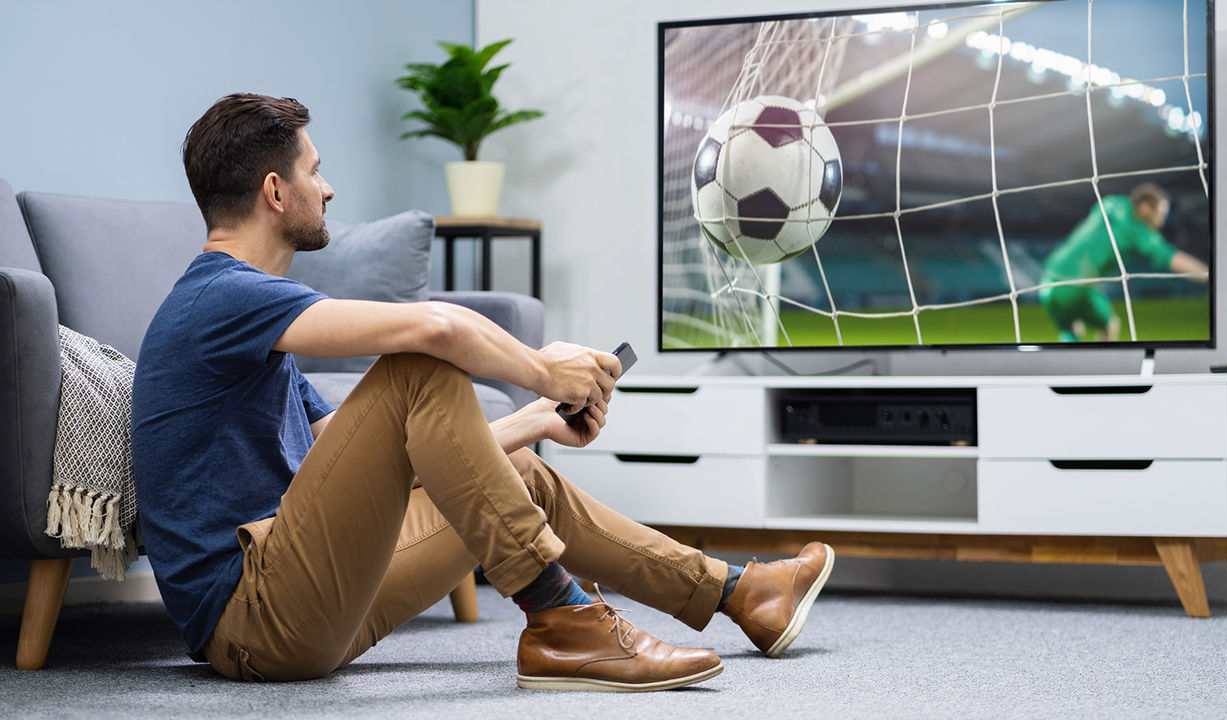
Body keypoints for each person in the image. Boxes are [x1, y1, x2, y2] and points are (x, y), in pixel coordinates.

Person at [131, 93, 835, 690]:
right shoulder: (221, 298)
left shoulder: (247, 309)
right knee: (416, 366)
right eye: (316, 173)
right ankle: (562, 618)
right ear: (275, 193)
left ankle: (743, 594)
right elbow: (434, 329)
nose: (329, 189)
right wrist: (545, 370)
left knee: (520, 471)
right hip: (255, 620)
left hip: (304, 596)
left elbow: (339, 451)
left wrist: (532, 419)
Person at [1038, 183, 1209, 342]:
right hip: (1074, 286)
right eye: (1160, 214)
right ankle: (1102, 372)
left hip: (1048, 279)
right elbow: (1172, 258)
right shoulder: (1138, 230)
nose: (1163, 221)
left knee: (1073, 329)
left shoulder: (1112, 202)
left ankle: (1070, 366)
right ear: (1145, 208)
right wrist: (1208, 275)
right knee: (1111, 325)